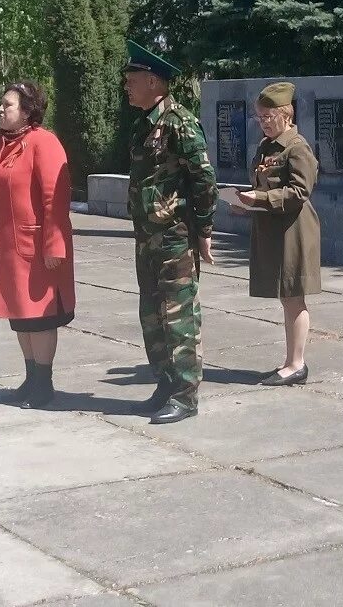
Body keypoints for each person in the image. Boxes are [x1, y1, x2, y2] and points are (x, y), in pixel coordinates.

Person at [123, 40, 217, 424]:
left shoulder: (179, 121)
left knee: (178, 315)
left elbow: (204, 178)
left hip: (175, 237)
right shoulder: (143, 123)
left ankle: (185, 395)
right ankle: (165, 382)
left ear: (153, 81)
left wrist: (204, 228)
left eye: (132, 79)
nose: (126, 85)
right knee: (152, 313)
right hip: (147, 237)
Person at [0, 82, 76, 408]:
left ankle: (44, 385)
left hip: (37, 252)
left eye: (8, 105)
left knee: (40, 318)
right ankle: (31, 380)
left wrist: (54, 246)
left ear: (28, 111)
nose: (0, 110)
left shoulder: (44, 143)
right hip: (8, 253)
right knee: (21, 318)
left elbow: (55, 199)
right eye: (0, 105)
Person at [230, 83, 321, 385]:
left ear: (285, 114)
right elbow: (263, 187)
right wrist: (246, 204)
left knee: (294, 296)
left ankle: (296, 364)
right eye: (260, 117)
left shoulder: (297, 147)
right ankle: (290, 361)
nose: (264, 122)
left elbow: (300, 191)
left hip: (294, 231)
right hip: (272, 228)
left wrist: (259, 199)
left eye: (269, 116)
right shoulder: (265, 147)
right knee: (286, 297)